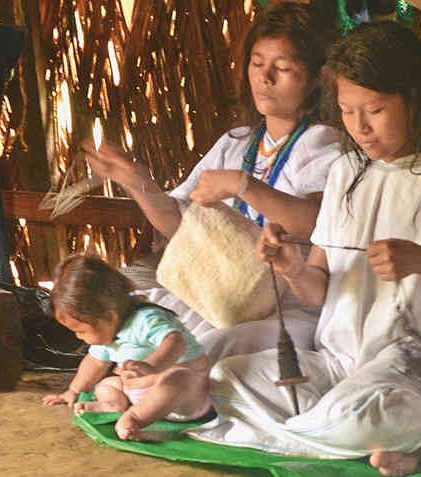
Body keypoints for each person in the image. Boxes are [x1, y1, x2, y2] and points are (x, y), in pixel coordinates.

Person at [187, 22, 421, 477]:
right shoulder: (346, 174)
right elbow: (319, 290)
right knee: (225, 380)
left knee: (365, 408)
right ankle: (408, 441)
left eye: (375, 109)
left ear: (413, 99)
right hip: (344, 360)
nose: (360, 127)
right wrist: (291, 266)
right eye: (349, 112)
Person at [81, 2, 342, 357]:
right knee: (138, 332)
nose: (265, 79)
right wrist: (136, 180)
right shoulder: (236, 142)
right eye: (257, 63)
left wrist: (242, 186)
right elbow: (181, 224)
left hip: (287, 306)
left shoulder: (321, 143)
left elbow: (315, 222)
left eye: (282, 68)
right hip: (221, 296)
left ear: (315, 79)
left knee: (203, 354)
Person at [41, 254, 210, 441]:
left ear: (110, 317)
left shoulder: (145, 319)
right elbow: (94, 363)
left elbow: (175, 341)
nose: (78, 336)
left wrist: (152, 367)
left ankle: (135, 419)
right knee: (106, 384)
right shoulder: (107, 332)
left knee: (178, 377)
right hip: (141, 392)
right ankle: (112, 405)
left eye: (81, 331)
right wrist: (73, 391)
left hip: (184, 395)